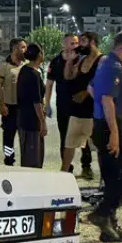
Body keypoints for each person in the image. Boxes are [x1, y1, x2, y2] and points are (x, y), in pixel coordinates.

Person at [89, 30, 122, 242]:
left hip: (106, 125)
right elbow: (107, 100)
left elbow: (91, 88)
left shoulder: (106, 63)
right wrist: (114, 133)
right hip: (110, 127)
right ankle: (101, 213)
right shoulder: (112, 66)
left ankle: (109, 227)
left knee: (112, 179)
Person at [61, 31, 100, 178]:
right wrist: (69, 61)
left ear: (92, 42)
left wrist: (86, 93)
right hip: (76, 112)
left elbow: (102, 84)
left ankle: (106, 177)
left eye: (83, 41)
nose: (79, 45)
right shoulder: (82, 60)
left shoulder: (102, 61)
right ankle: (63, 174)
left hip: (92, 113)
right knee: (69, 145)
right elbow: (68, 76)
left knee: (99, 147)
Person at [45, 33, 79, 172]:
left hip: (80, 105)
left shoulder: (81, 60)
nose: (75, 46)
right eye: (72, 43)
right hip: (63, 106)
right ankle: (66, 167)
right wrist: (47, 103)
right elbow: (49, 84)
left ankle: (86, 165)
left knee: (83, 137)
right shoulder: (56, 62)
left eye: (76, 43)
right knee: (64, 137)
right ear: (64, 44)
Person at [0, 38, 26, 166]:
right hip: (10, 108)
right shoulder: (4, 65)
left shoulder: (26, 64)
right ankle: (9, 160)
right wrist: (1, 105)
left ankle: (26, 161)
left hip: (24, 108)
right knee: (8, 137)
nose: (25, 50)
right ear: (15, 49)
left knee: (25, 137)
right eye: (22, 47)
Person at [16, 43, 47, 168]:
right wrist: (43, 123)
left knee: (27, 155)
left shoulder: (24, 70)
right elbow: (36, 102)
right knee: (33, 158)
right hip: (32, 122)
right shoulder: (34, 75)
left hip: (23, 119)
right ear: (39, 55)